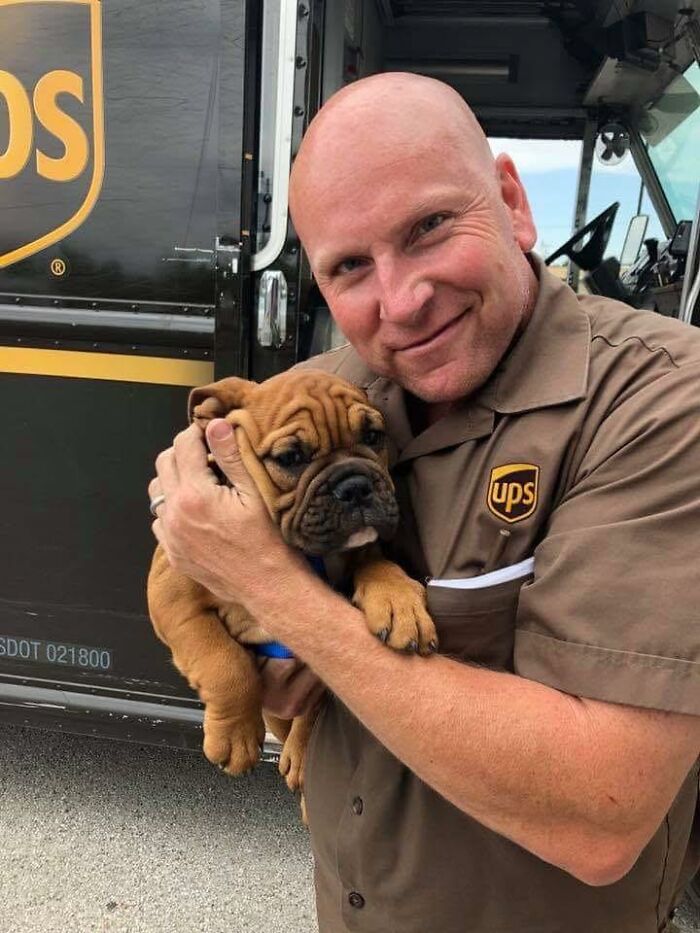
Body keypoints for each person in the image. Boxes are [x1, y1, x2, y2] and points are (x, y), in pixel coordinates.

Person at [149, 73, 700, 932]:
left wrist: (279, 592)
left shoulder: (664, 403)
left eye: (431, 227)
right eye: (350, 266)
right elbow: (211, 592)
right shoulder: (327, 390)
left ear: (513, 203)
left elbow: (602, 811)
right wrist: (245, 622)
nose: (402, 300)